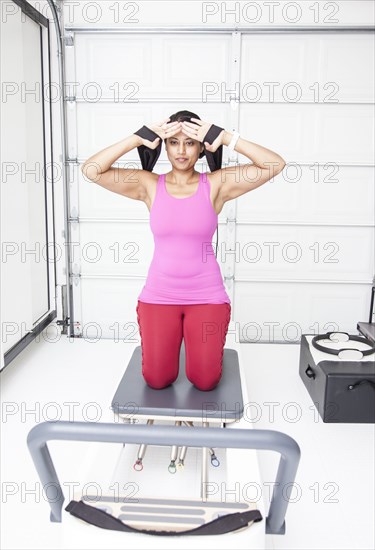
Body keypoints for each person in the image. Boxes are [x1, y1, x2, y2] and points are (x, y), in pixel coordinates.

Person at [81, 111, 286, 391]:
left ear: (202, 148)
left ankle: (201, 352)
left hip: (206, 297)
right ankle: (175, 347)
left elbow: (274, 164)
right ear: (164, 146)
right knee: (157, 380)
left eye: (190, 143)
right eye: (173, 142)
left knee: (205, 381)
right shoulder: (148, 184)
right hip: (159, 296)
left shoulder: (216, 185)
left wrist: (225, 137)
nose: (181, 150)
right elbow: (91, 169)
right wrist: (137, 138)